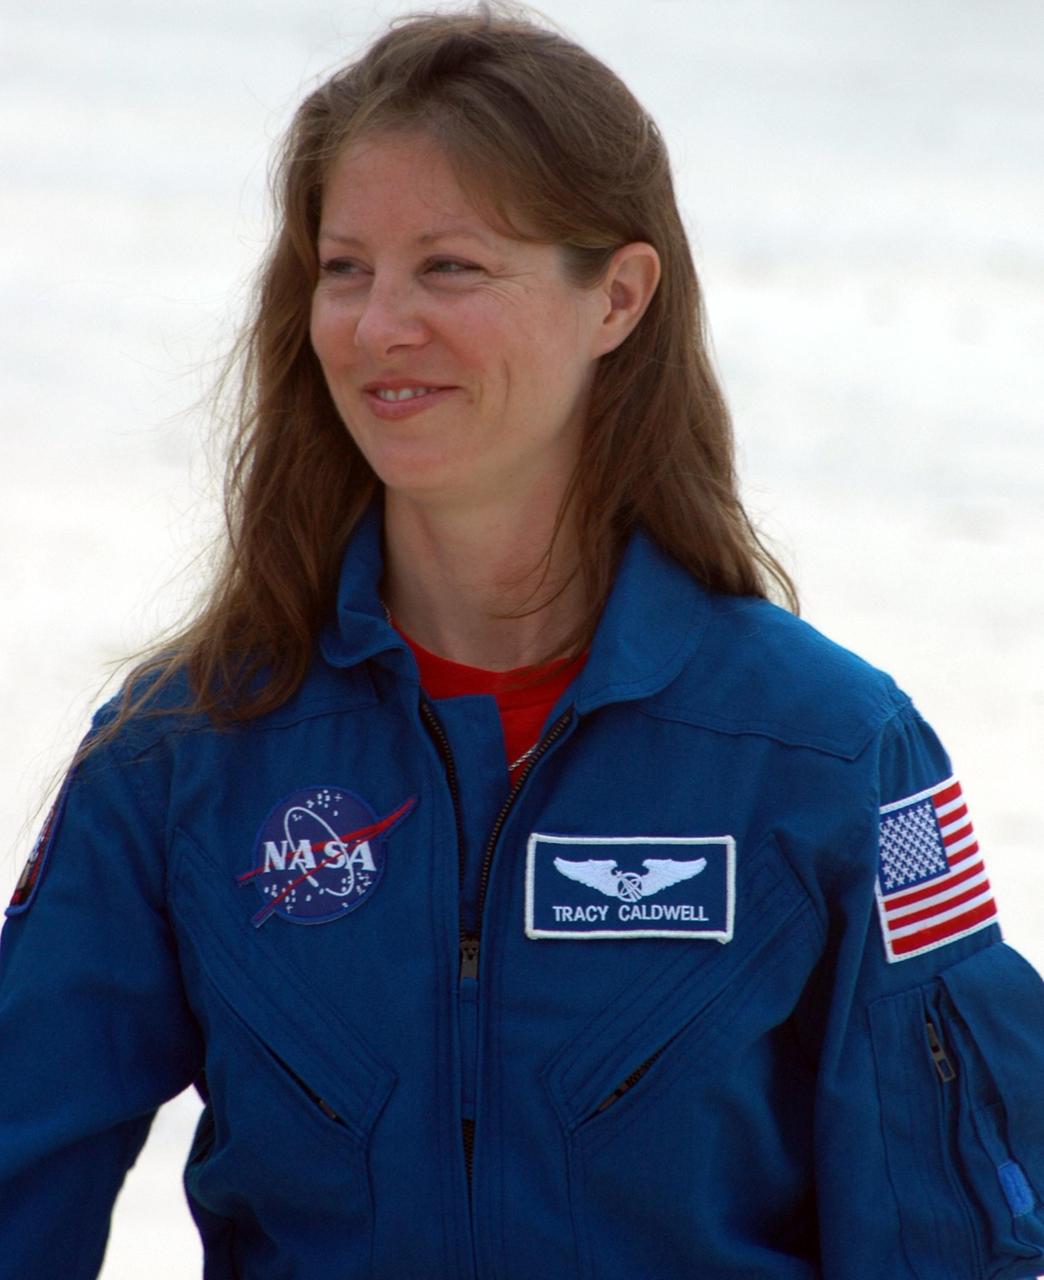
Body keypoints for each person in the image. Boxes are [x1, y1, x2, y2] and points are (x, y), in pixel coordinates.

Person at [1, 6, 1042, 1278]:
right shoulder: (183, 755)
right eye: (344, 268)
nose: (380, 324)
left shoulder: (830, 755)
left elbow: (952, 1239)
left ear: (617, 294)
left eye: (450, 267)